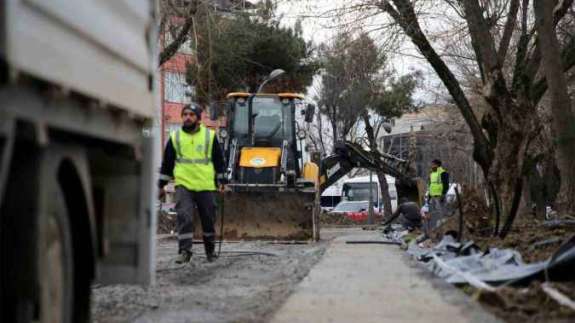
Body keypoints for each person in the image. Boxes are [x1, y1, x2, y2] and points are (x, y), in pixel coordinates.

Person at [158, 104, 226, 263]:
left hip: (206, 185)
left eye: (191, 115)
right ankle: (184, 251)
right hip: (184, 185)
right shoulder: (175, 137)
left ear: (198, 118)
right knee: (184, 217)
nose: (187, 117)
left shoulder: (210, 136)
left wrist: (222, 181)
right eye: (185, 114)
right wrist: (160, 185)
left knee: (208, 220)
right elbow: (167, 164)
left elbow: (219, 161)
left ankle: (210, 251)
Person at [424, 159, 449, 234]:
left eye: (433, 164)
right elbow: (432, 185)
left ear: (437, 165)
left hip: (439, 196)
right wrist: (429, 196)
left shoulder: (443, 173)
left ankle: (443, 229)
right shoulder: (432, 173)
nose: (431, 166)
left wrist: (443, 194)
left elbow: (446, 185)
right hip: (433, 196)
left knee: (441, 213)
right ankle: (435, 230)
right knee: (434, 214)